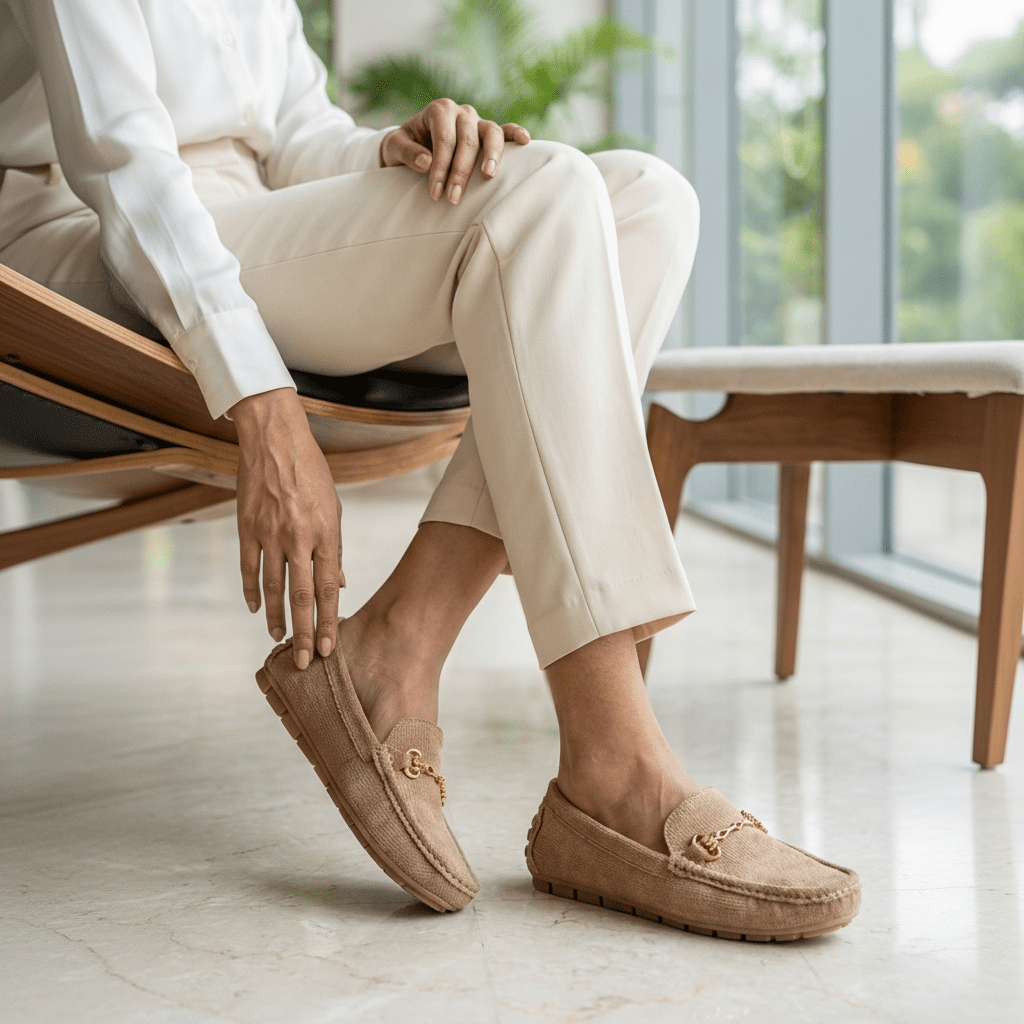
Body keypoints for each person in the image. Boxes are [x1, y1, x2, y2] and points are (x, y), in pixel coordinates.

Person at [0, 0, 860, 939]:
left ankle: (401, 640)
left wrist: (389, 151)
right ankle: (613, 764)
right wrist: (264, 404)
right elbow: (126, 169)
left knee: (649, 199)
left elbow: (291, 132)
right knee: (542, 194)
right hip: (88, 237)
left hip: (249, 219)